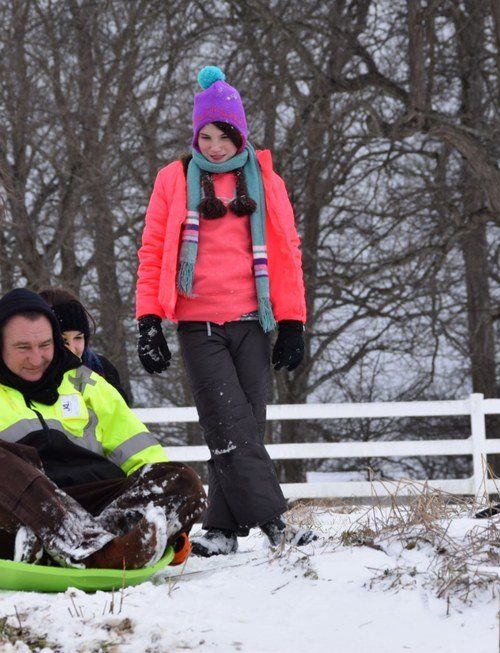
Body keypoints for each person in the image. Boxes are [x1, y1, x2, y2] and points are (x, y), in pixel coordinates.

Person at [135, 66, 315, 556]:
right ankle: (275, 520)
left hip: (253, 321)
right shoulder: (174, 179)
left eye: (225, 136)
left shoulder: (264, 181)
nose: (214, 146)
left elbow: (287, 251)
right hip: (199, 323)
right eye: (206, 135)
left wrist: (293, 321)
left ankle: (222, 528)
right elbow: (153, 249)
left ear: (241, 135)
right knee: (228, 418)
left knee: (243, 423)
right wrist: (148, 319)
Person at [0, 289, 206, 571]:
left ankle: (94, 541)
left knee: (182, 480)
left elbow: (142, 455)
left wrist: (169, 526)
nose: (36, 359)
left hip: (95, 504)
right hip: (16, 513)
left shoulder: (86, 384)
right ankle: (105, 552)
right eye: (23, 347)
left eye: (45, 346)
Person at [39, 286, 133, 405]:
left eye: (78, 338)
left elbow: (121, 417)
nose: (72, 349)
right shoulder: (27, 377)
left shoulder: (102, 370)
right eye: (63, 340)